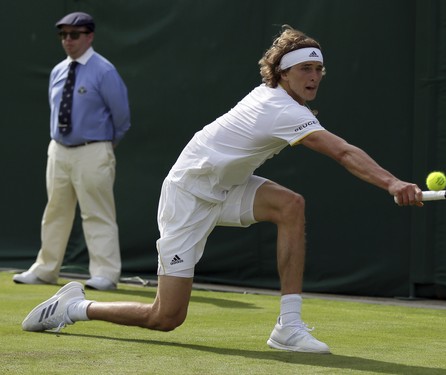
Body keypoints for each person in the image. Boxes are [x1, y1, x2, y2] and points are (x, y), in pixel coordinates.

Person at [20, 25, 421, 353]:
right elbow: (343, 152)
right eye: (305, 69)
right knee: (166, 317)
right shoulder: (278, 108)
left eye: (319, 69)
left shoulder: (281, 100)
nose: (314, 77)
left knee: (290, 205)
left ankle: (289, 326)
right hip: (188, 196)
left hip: (225, 187)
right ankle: (75, 307)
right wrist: (392, 182)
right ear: (283, 73)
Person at [13, 12, 131, 291]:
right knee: (55, 210)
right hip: (59, 150)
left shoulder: (104, 71)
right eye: (63, 35)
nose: (68, 40)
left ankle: (105, 273)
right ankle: (45, 269)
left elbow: (122, 118)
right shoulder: (58, 70)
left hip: (93, 149)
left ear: (89, 36)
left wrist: (102, 146)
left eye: (74, 35)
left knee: (97, 213)